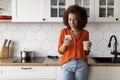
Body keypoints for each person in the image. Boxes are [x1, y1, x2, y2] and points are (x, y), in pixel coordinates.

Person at [58, 5, 91, 80]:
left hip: (81, 64)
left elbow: (86, 52)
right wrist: (64, 45)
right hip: (67, 64)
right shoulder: (64, 32)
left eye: (75, 19)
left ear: (80, 19)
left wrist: (88, 48)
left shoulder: (85, 33)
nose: (72, 22)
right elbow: (60, 51)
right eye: (69, 19)